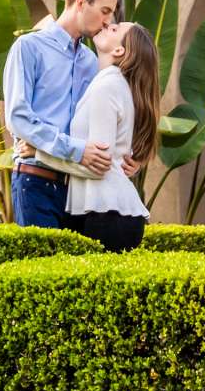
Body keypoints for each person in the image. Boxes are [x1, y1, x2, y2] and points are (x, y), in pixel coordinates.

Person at [1, 0, 120, 228]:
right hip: (35, 182)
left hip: (78, 188)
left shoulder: (92, 61)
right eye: (105, 11)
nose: (108, 21)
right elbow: (18, 119)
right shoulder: (29, 48)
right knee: (42, 268)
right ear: (80, 3)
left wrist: (123, 152)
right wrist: (75, 150)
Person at [64, 21, 160, 252]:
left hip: (108, 214)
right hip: (104, 212)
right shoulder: (113, 84)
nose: (108, 24)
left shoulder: (107, 86)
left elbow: (98, 162)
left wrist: (40, 153)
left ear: (119, 51)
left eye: (115, 29)